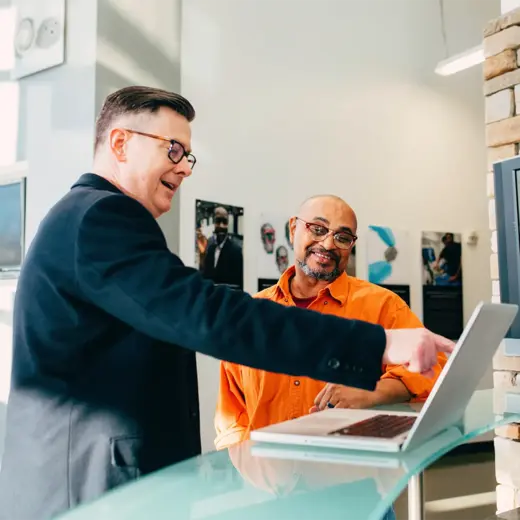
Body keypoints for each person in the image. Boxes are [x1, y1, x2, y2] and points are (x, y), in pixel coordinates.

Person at [0, 86, 453, 520]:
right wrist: (378, 345)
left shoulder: (85, 218)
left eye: (188, 155)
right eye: (172, 149)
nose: (185, 168)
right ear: (120, 143)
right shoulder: (101, 216)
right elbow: (209, 315)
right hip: (91, 488)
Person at [215, 195, 447, 450]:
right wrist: (244, 468)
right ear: (294, 229)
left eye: (343, 237)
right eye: (317, 229)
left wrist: (372, 391)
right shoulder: (252, 315)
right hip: (267, 480)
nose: (327, 244)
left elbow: (434, 369)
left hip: (349, 475)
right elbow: (231, 414)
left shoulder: (383, 306)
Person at [198, 206, 244, 290]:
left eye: (224, 222)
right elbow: (205, 276)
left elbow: (239, 284)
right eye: (218, 221)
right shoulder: (210, 248)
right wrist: (202, 255)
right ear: (214, 222)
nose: (221, 226)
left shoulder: (236, 251)